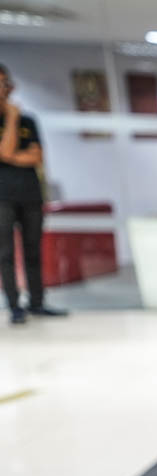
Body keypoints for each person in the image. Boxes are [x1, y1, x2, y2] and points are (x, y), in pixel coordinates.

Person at [0, 63, 66, 325]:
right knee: (5, 254)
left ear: (10, 86)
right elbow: (6, 151)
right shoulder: (16, 119)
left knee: (33, 251)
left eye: (3, 83)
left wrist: (11, 155)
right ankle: (15, 306)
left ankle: (37, 302)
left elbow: (36, 156)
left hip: (30, 195)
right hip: (2, 198)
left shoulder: (28, 121)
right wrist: (11, 119)